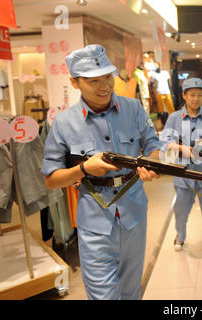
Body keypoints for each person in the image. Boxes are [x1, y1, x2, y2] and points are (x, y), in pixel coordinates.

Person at [41, 44, 162, 300]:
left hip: (134, 214)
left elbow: (153, 145)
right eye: (93, 80)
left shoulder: (134, 109)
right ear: (74, 83)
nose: (104, 86)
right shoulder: (63, 123)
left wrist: (150, 163)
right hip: (94, 220)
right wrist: (85, 168)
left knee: (131, 292)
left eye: (108, 76)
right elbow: (51, 180)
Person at [160, 77, 202, 273]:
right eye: (192, 95)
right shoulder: (174, 118)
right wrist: (181, 148)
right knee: (181, 212)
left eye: (199, 95)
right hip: (183, 175)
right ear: (184, 96)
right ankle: (180, 235)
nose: (196, 99)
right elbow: (165, 143)